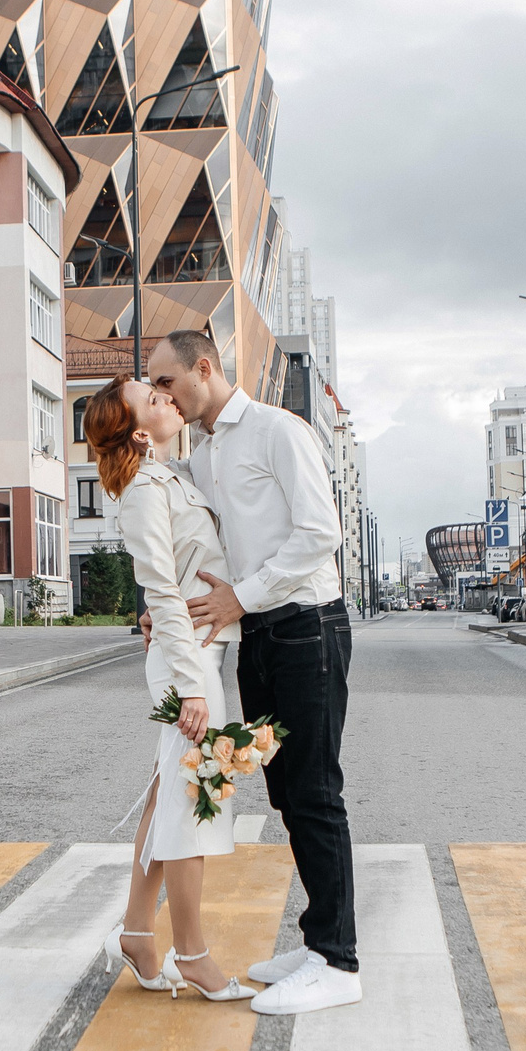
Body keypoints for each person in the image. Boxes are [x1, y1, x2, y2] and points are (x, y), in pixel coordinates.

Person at [146, 328, 362, 1016]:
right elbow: (201, 551)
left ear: (203, 369)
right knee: (285, 795)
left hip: (308, 628)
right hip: (262, 636)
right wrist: (173, 614)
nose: (162, 396)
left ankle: (339, 961)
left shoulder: (277, 430)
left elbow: (320, 532)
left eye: (167, 383)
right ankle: (318, 939)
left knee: (316, 792)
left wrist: (242, 595)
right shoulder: (206, 457)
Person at [80, 375, 253, 1001]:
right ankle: (193, 955)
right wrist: (191, 686)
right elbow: (159, 586)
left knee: (167, 797)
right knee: (193, 803)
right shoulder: (144, 490)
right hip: (189, 666)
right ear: (136, 430)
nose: (164, 398)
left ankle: (136, 931)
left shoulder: (173, 475)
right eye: (150, 398)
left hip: (196, 655)